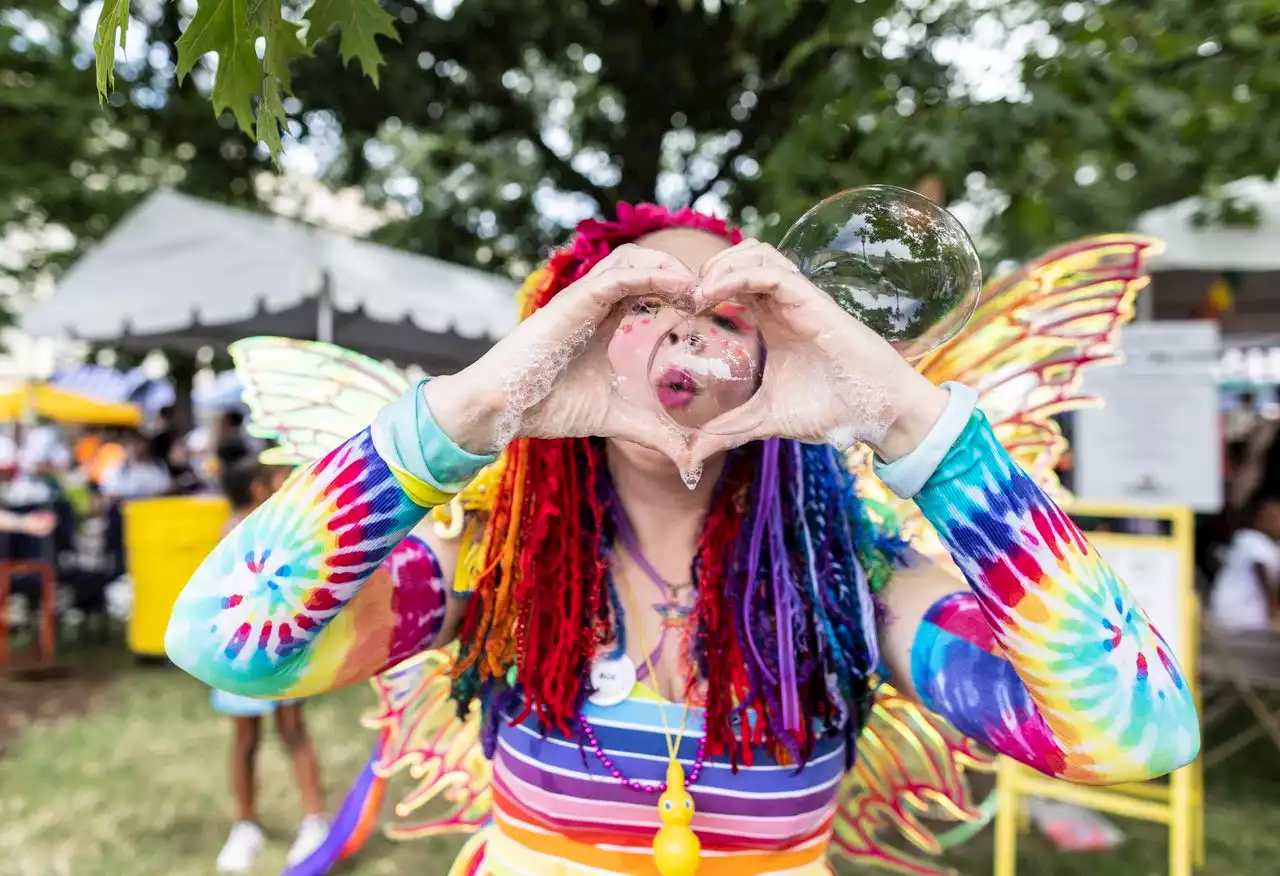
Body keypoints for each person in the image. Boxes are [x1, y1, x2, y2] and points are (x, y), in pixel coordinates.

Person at [165, 205, 1199, 876]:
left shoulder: (856, 587)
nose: (687, 332)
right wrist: (474, 412)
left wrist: (908, 425)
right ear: (568, 338)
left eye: (733, 311)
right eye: (635, 303)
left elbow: (1136, 733)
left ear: (783, 351)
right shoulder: (496, 573)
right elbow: (225, 644)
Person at [210, 458, 328, 873]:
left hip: (283, 647)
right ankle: (245, 824)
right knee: (245, 740)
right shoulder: (237, 531)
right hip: (242, 651)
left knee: (293, 731)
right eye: (280, 478)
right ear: (259, 490)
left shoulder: (283, 530)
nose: (288, 483)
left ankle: (315, 821)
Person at [1209, 495, 1280, 631]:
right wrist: (1274, 612)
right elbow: (1263, 576)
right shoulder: (1250, 539)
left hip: (1244, 613)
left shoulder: (1273, 545)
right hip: (1240, 614)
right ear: (1260, 520)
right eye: (1274, 518)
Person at [99, 430, 170, 501]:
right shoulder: (116, 469)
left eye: (139, 442)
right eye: (131, 442)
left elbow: (167, 490)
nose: (136, 446)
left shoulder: (159, 466)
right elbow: (109, 494)